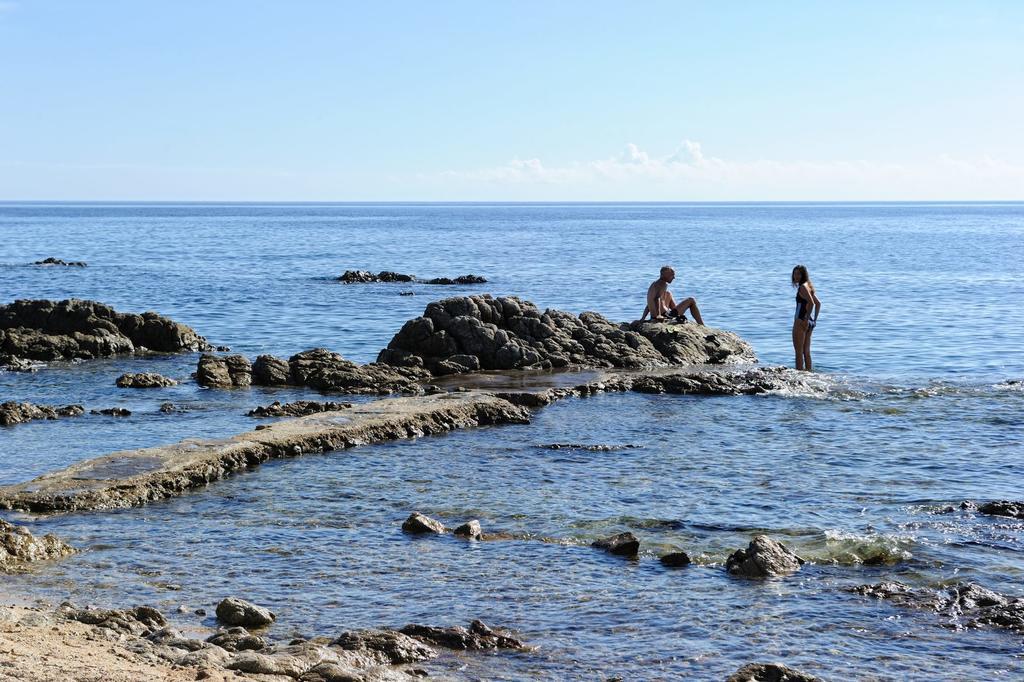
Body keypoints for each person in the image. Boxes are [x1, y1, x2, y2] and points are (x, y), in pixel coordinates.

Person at [791, 264, 821, 371]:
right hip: (809, 323)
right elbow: (818, 304)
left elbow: (812, 303)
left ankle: (799, 376)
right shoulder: (808, 286)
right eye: (795, 274)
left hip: (800, 321)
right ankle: (809, 374)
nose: (796, 276)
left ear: (803, 275)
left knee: (799, 353)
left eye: (799, 274)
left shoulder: (803, 287)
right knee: (806, 352)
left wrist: (804, 320)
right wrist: (814, 320)